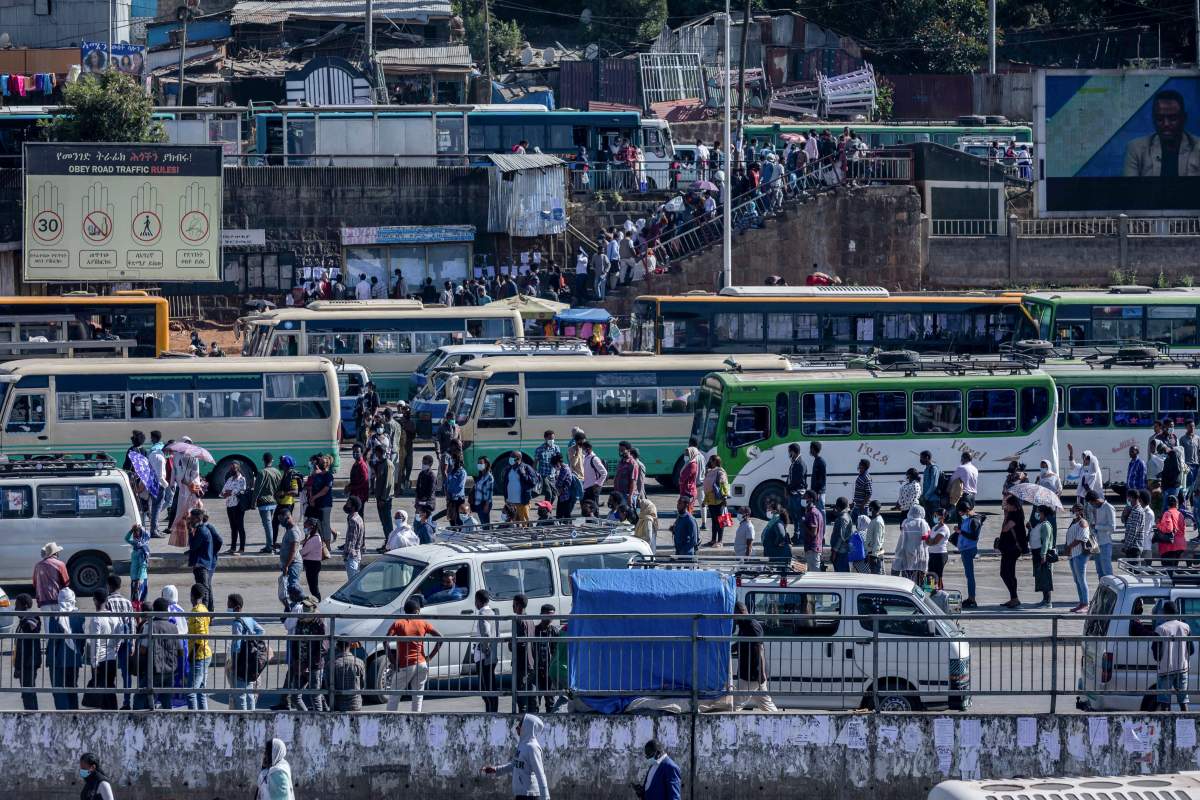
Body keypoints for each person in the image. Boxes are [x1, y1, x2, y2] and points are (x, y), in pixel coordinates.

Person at [1124, 90, 1200, 177]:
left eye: (1173, 118)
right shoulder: (1136, 149)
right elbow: (1130, 189)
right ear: (1153, 119)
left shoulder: (1197, 147)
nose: (1166, 124)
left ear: (1184, 118)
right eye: (1160, 118)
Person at [386, 598, 442, 712]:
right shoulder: (423, 623)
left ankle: (389, 720)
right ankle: (416, 721)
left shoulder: (399, 623)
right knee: (418, 696)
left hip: (405, 665)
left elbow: (385, 640)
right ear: (417, 611)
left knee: (394, 696)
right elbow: (440, 638)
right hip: (421, 663)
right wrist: (430, 657)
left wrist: (393, 661)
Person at [482, 713, 551, 800]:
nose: (517, 727)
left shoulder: (532, 747)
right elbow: (514, 764)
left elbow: (540, 774)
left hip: (530, 795)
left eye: (520, 724)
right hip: (522, 794)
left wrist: (546, 797)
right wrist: (496, 770)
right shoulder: (522, 745)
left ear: (528, 727)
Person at [732, 601, 777, 712]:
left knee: (736, 705)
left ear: (740, 613)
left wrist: (760, 674)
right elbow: (740, 643)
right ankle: (783, 724)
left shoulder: (752, 626)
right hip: (754, 673)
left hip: (752, 673)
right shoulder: (745, 625)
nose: (733, 619)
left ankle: (724, 727)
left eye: (734, 615)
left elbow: (759, 651)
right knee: (766, 704)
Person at [46, 587, 84, 710]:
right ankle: (74, 716)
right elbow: (82, 639)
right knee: (72, 688)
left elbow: (53, 638)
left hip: (57, 660)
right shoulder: (79, 615)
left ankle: (63, 717)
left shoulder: (55, 616)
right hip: (74, 658)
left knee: (59, 690)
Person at [1153, 601, 1193, 711]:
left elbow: (1157, 653)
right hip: (1182, 669)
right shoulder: (1186, 627)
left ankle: (1166, 727)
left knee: (1165, 703)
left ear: (1165, 613)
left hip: (1166, 669)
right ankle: (1186, 725)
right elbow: (1191, 650)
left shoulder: (1160, 629)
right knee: (1183, 702)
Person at [227, 593, 265, 711]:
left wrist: (234, 664)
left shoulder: (237, 623)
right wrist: (252, 642)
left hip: (241, 661)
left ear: (237, 607)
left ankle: (243, 718)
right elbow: (261, 631)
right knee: (249, 692)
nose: (227, 608)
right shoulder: (248, 618)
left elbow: (237, 645)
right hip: (251, 660)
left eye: (229, 605)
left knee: (241, 694)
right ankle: (252, 715)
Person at [997, 495, 1029, 609]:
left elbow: (1005, 529)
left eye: (1008, 505)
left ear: (1013, 505)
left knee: (1007, 573)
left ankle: (1014, 598)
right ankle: (1013, 598)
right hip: (1007, 548)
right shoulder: (1013, 514)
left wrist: (1005, 517)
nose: (1006, 506)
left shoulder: (1016, 515)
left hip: (1012, 549)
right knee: (1006, 573)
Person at [473, 589, 501, 712]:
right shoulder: (493, 613)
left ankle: (491, 714)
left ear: (478, 601)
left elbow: (486, 633)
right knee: (490, 687)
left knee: (486, 689)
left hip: (484, 658)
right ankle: (492, 711)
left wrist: (485, 649)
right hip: (492, 656)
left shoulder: (482, 614)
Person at [186, 508, 218, 610]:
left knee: (203, 590)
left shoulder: (202, 530)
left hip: (201, 564)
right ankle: (210, 612)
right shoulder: (202, 529)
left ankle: (205, 614)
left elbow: (193, 546)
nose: (190, 520)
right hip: (203, 563)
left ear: (197, 518)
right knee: (207, 588)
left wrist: (190, 531)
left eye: (191, 518)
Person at [187, 583, 212, 710]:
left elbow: (200, 637)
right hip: (204, 654)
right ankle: (203, 718)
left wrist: (192, 655)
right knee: (201, 691)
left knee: (191, 692)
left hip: (199, 656)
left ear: (192, 595)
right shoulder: (203, 608)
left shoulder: (197, 611)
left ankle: (194, 721)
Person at [13, 593, 41, 709]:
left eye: (17, 605)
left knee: (28, 692)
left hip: (28, 664)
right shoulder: (24, 621)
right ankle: (33, 713)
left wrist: (19, 667)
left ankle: (32, 715)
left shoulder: (29, 621)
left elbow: (25, 649)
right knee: (28, 691)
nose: (15, 609)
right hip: (26, 664)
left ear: (24, 606)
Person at [511, 593, 537, 713]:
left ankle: (523, 721)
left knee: (521, 696)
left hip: (521, 662)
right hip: (530, 661)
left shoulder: (518, 620)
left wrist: (511, 644)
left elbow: (519, 643)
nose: (513, 606)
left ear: (518, 605)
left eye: (514, 604)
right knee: (531, 694)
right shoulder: (530, 619)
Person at [1064, 504, 1093, 612]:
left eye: (1074, 510)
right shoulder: (1074, 522)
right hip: (1073, 555)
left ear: (1080, 511)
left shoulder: (1083, 522)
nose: (1072, 512)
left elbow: (1082, 538)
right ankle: (1081, 602)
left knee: (1081, 579)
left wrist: (1069, 547)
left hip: (1080, 554)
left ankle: (1086, 603)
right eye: (1072, 510)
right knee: (1077, 580)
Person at [893, 505, 929, 584]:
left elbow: (902, 538)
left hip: (906, 552)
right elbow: (926, 540)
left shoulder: (905, 522)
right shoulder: (923, 523)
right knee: (919, 578)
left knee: (906, 577)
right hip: (919, 553)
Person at [1085, 489, 1116, 579]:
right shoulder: (1096, 508)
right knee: (1099, 570)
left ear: (1096, 501)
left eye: (1091, 503)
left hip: (1105, 542)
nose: (1091, 506)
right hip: (1095, 542)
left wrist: (1097, 527)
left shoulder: (1109, 507)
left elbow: (1112, 527)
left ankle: (1110, 589)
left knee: (1106, 570)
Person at [1028, 505, 1055, 608]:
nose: (1037, 513)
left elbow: (1046, 542)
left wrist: (1043, 555)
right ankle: (1044, 599)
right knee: (1040, 576)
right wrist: (1030, 528)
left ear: (1043, 513)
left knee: (1045, 577)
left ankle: (1048, 602)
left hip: (1042, 554)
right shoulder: (1040, 524)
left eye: (1038, 512)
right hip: (1036, 553)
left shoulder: (1046, 525)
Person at [330, 639, 366, 712]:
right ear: (350, 646)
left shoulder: (332, 664)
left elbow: (328, 686)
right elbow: (363, 684)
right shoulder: (360, 662)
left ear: (337, 647)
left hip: (338, 705)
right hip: (356, 704)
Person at [221, 461, 249, 554]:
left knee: (240, 527)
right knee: (233, 527)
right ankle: (232, 548)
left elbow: (239, 492)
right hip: (229, 505)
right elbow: (222, 492)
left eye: (234, 468)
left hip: (238, 506)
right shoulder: (229, 479)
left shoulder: (242, 480)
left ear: (238, 469)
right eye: (231, 468)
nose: (232, 470)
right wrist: (229, 492)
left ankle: (241, 549)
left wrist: (229, 492)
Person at [504, 451, 540, 523]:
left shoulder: (526, 468)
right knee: (513, 523)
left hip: (522, 502)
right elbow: (505, 484)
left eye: (512, 457)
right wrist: (506, 497)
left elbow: (533, 482)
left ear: (518, 458)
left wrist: (523, 474)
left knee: (524, 523)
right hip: (511, 502)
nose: (510, 459)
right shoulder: (509, 469)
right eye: (510, 457)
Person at [702, 455, 730, 547]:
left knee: (720, 521)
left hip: (718, 500)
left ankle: (720, 541)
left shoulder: (720, 471)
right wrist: (705, 501)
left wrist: (725, 497)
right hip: (710, 500)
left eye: (711, 461)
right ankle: (713, 540)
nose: (709, 462)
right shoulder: (710, 472)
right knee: (714, 521)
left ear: (715, 462)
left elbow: (724, 484)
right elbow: (707, 488)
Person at [33, 541, 69, 608]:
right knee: (58, 618)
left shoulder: (38, 565)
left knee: (46, 618)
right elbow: (66, 583)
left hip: (43, 601)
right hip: (57, 600)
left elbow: (35, 584)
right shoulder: (60, 564)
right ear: (56, 553)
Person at [1156, 494, 1188, 566]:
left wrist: (1158, 525)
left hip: (1169, 546)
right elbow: (1183, 529)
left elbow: (1168, 529)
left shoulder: (1167, 513)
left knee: (1167, 571)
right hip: (1180, 545)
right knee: (1173, 570)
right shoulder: (1180, 514)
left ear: (1167, 504)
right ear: (1176, 504)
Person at [300, 518, 326, 601]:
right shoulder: (312, 537)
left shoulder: (314, 538)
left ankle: (318, 603)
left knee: (313, 588)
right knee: (313, 587)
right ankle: (317, 602)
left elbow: (303, 552)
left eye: (306, 527)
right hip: (311, 564)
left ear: (312, 527)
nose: (305, 529)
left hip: (312, 565)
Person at [278, 513, 302, 604]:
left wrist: (287, 566)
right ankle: (291, 610)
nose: (281, 523)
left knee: (293, 587)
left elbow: (293, 550)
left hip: (293, 564)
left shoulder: (293, 531)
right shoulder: (289, 530)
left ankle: (304, 602)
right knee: (289, 589)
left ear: (288, 518)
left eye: (282, 520)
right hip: (289, 564)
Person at [125, 524, 150, 608]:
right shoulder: (136, 545)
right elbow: (126, 539)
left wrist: (138, 581)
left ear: (142, 533)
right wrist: (131, 530)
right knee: (136, 602)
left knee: (139, 603)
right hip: (134, 578)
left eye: (137, 531)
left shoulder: (142, 549)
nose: (135, 534)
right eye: (134, 532)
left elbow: (142, 566)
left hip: (139, 579)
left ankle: (141, 620)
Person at [785, 443, 808, 533]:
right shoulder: (795, 462)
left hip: (797, 494)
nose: (789, 453)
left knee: (798, 515)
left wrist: (789, 489)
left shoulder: (800, 464)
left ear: (793, 452)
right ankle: (796, 533)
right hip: (793, 493)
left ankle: (799, 535)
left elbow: (798, 481)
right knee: (794, 515)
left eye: (789, 451)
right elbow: (790, 477)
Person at [828, 497, 854, 572]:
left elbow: (840, 537)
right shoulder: (845, 516)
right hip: (842, 551)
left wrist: (834, 552)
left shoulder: (843, 518)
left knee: (841, 576)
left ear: (838, 506)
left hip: (841, 552)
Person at [802, 489, 825, 571]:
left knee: (814, 576)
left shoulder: (812, 513)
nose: (803, 499)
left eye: (805, 497)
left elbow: (813, 533)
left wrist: (804, 525)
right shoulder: (815, 512)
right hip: (813, 548)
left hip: (812, 549)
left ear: (811, 499)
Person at [926, 508, 950, 587]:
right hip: (932, 554)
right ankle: (931, 591)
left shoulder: (944, 528)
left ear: (942, 517)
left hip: (940, 555)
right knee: (930, 575)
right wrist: (929, 541)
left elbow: (935, 541)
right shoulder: (934, 527)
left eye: (936, 515)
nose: (934, 516)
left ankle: (940, 592)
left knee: (938, 576)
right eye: (934, 515)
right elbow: (929, 540)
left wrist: (929, 541)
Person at [581, 440, 608, 507]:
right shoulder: (586, 458)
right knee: (586, 507)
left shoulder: (594, 459)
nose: (582, 450)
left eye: (583, 448)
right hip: (587, 487)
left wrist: (598, 484)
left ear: (588, 448)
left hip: (593, 488)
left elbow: (604, 473)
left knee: (594, 508)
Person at [473, 455, 495, 526]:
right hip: (478, 503)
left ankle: (488, 536)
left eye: (481, 463)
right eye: (478, 463)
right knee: (483, 524)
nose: (479, 465)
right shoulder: (480, 476)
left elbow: (490, 492)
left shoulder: (489, 477)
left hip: (484, 503)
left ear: (486, 464)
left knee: (485, 524)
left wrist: (487, 505)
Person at [809, 441, 827, 511]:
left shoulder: (821, 462)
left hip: (819, 492)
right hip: (815, 492)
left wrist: (819, 492)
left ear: (814, 449)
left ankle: (823, 522)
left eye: (811, 449)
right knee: (817, 510)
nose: (810, 451)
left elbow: (822, 479)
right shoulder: (816, 460)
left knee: (821, 510)